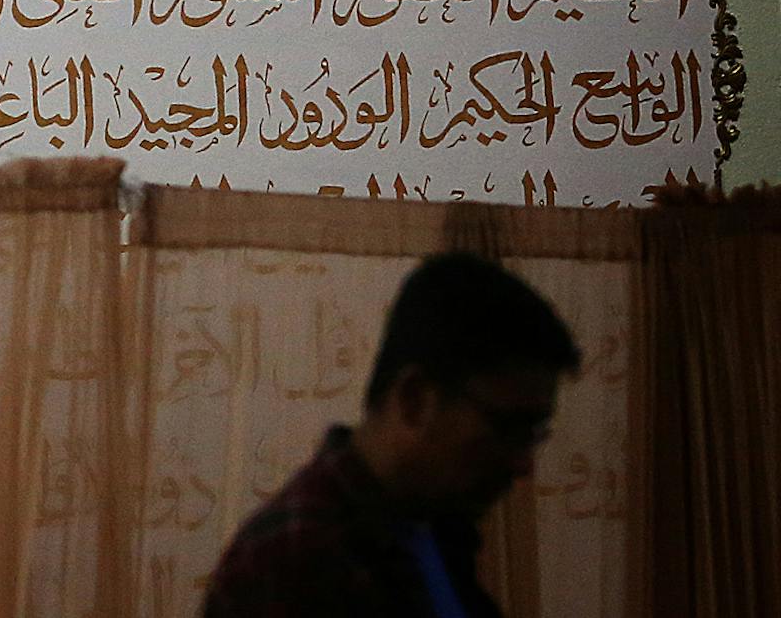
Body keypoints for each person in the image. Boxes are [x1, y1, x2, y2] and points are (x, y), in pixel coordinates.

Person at [202, 252, 581, 618]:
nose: (523, 464)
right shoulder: (298, 560)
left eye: (532, 434)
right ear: (415, 400)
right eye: (506, 428)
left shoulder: (433, 532)